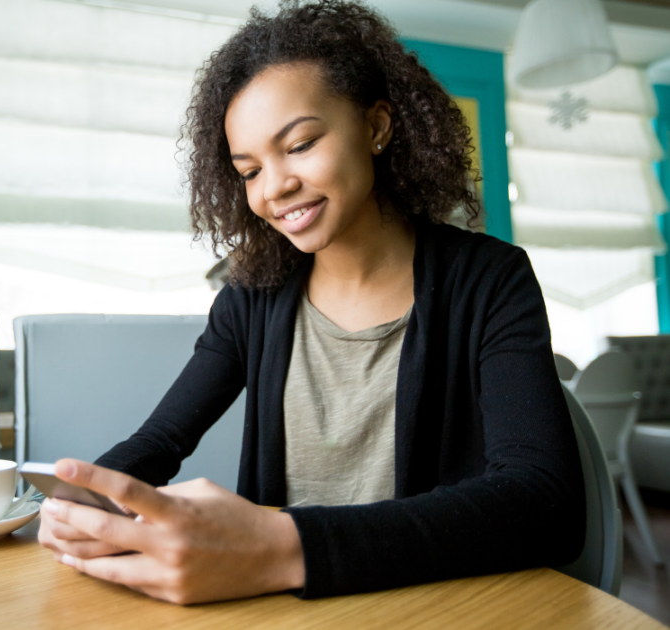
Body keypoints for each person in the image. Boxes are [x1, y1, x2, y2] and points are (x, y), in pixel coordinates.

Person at [37, 0, 585, 604]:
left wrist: (285, 544)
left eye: (299, 145)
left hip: (434, 606)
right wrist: (89, 501)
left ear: (376, 127)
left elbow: (546, 504)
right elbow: (163, 440)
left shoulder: (489, 279)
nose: (274, 187)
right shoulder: (251, 296)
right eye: (248, 171)